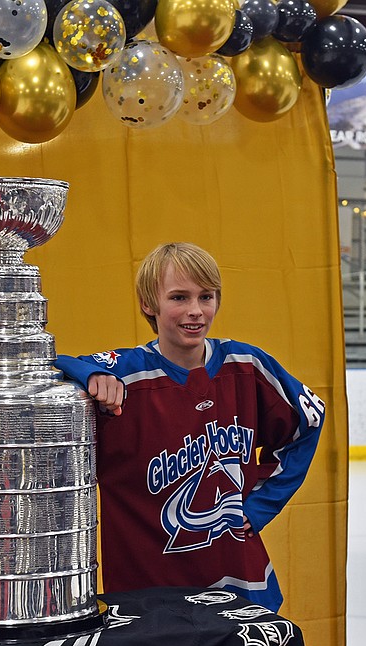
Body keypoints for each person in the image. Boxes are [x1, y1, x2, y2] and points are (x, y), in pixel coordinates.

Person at [53, 242, 325, 613]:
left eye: (206, 297)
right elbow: (43, 372)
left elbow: (308, 419)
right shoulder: (126, 373)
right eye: (179, 297)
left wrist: (260, 505)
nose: (195, 311)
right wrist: (90, 373)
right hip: (148, 586)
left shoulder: (245, 364)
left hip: (239, 577)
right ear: (150, 304)